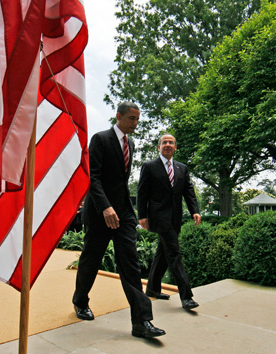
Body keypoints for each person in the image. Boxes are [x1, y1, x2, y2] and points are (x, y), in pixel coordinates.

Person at [72, 101, 165, 338]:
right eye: (132, 119)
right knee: (91, 260)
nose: (136, 123)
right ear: (119, 117)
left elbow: (121, 182)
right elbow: (92, 177)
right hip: (99, 213)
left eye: (137, 119)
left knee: (131, 264)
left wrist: (129, 213)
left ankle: (141, 322)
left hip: (123, 213)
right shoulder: (100, 139)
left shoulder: (131, 144)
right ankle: (80, 301)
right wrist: (105, 207)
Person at [137, 134, 201, 310]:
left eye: (171, 142)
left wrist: (195, 210)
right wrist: (142, 215)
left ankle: (152, 288)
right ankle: (186, 296)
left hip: (176, 217)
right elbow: (142, 193)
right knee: (173, 253)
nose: (167, 145)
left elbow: (188, 191)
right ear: (159, 147)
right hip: (158, 217)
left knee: (163, 253)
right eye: (164, 142)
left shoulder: (182, 168)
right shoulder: (149, 166)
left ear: (175, 147)